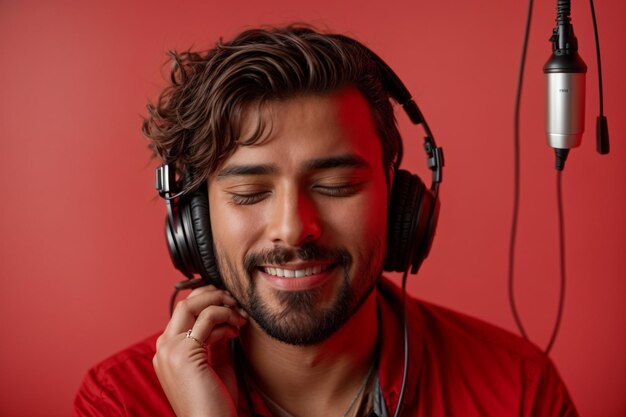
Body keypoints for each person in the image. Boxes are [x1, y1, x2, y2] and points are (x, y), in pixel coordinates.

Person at [73, 26, 578, 417]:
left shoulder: (518, 390)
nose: (293, 229)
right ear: (193, 219)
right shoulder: (119, 400)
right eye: (249, 193)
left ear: (401, 201)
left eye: (335, 187)